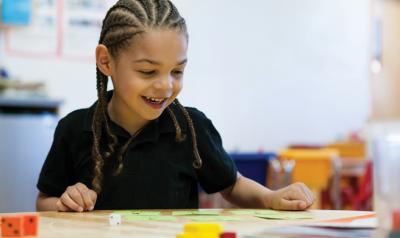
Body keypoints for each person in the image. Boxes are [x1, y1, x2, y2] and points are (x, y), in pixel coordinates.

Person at [36, 0, 315, 212]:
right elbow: (43, 201)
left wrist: (270, 197)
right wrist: (63, 203)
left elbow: (232, 185)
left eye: (177, 72)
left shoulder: (192, 127)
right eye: (147, 72)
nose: (165, 86)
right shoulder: (73, 130)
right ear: (106, 62)